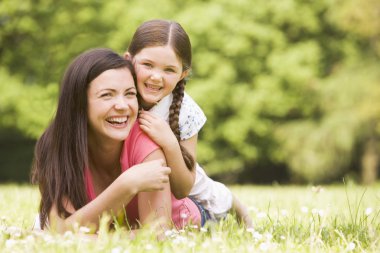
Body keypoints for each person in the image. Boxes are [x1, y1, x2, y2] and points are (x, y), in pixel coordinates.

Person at [31, 48, 203, 236]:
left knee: (216, 199)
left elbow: (156, 235)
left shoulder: (146, 143)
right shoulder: (58, 143)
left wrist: (79, 237)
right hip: (121, 232)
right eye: (107, 95)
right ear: (79, 103)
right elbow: (61, 230)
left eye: (129, 94)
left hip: (190, 221)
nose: (122, 106)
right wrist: (127, 185)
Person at [125, 19, 253, 228]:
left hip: (193, 192)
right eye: (147, 65)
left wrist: (169, 142)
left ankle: (234, 206)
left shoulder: (185, 111)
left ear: (182, 74)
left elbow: (183, 188)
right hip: (146, 185)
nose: (156, 77)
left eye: (169, 70)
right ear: (129, 60)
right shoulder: (115, 94)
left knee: (212, 197)